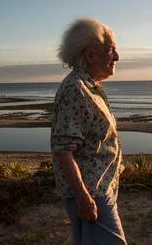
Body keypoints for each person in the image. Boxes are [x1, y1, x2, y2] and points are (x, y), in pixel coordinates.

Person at [50, 18, 126, 244]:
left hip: (101, 187)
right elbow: (63, 149)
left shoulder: (90, 86)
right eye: (111, 50)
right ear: (91, 55)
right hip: (92, 192)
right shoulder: (76, 88)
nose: (117, 57)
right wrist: (84, 198)